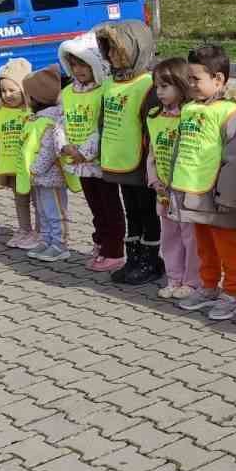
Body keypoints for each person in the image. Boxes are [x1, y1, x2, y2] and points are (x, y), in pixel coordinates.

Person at [173, 44, 236, 322]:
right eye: (189, 79)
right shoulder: (190, 110)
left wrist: (228, 197)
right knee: (203, 244)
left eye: (196, 78)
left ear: (219, 79)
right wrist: (171, 181)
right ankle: (208, 286)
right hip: (195, 192)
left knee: (226, 245)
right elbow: (181, 149)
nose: (191, 84)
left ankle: (232, 294)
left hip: (221, 196)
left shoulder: (233, 114)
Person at [95, 21, 163, 286]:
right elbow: (104, 120)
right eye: (108, 50)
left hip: (140, 163)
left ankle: (151, 260)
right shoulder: (111, 83)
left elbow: (153, 127)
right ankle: (133, 257)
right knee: (131, 212)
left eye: (116, 50)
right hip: (118, 159)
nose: (111, 55)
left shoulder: (147, 85)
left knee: (147, 212)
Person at [57, 36, 122, 272]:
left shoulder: (105, 89)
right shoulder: (67, 92)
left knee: (110, 207)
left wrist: (85, 151)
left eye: (83, 64)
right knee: (95, 207)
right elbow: (60, 122)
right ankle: (101, 242)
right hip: (78, 161)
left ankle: (114, 250)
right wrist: (64, 146)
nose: (79, 70)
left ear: (95, 64)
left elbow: (104, 125)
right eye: (74, 65)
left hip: (99, 161)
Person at [147, 58, 201, 300]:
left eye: (165, 86)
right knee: (169, 236)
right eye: (157, 87)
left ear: (181, 85)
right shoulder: (154, 117)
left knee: (190, 237)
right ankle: (174, 277)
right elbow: (152, 153)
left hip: (186, 188)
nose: (159, 92)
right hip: (164, 191)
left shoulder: (192, 117)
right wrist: (154, 181)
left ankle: (192, 281)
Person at [0, 58, 37, 250]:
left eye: (12, 90)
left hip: (31, 167)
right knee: (20, 200)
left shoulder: (32, 111)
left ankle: (40, 232)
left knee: (38, 201)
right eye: (3, 91)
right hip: (10, 167)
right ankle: (24, 230)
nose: (7, 95)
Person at [22, 69, 72, 263]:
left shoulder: (50, 121)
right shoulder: (37, 118)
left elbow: (49, 150)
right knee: (43, 211)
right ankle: (46, 239)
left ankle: (60, 244)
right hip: (39, 178)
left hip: (50, 177)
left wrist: (34, 169)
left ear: (35, 98)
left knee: (56, 212)